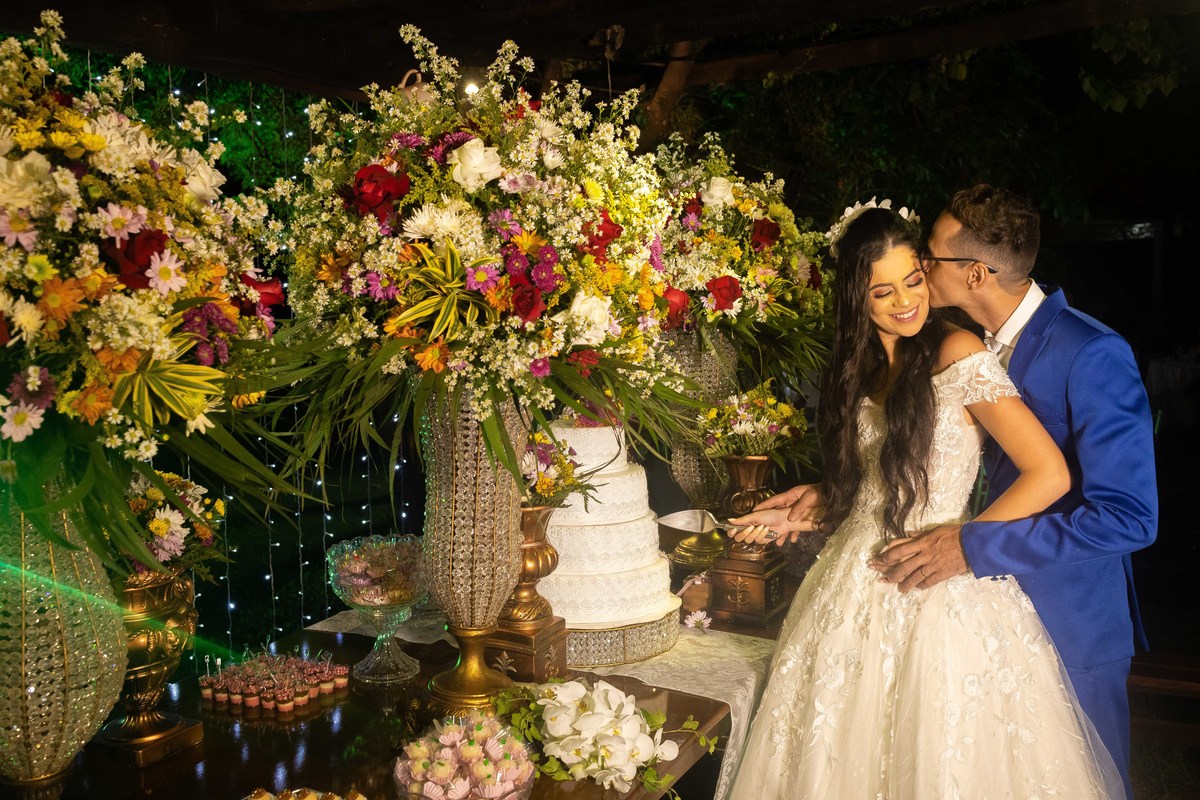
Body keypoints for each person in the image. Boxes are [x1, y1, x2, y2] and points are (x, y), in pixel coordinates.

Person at [726, 205, 1123, 798]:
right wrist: (817, 501)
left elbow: (1049, 473)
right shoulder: (854, 369)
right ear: (855, 298)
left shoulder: (958, 351)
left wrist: (967, 542)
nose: (905, 301)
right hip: (851, 583)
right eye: (882, 291)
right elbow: (876, 483)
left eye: (914, 280)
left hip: (939, 582)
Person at [865, 184, 1156, 798]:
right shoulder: (944, 346)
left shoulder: (1093, 352)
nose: (917, 264)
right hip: (968, 619)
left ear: (975, 272)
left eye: (930, 257)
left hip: (1067, 620)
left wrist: (976, 547)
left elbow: (1129, 518)